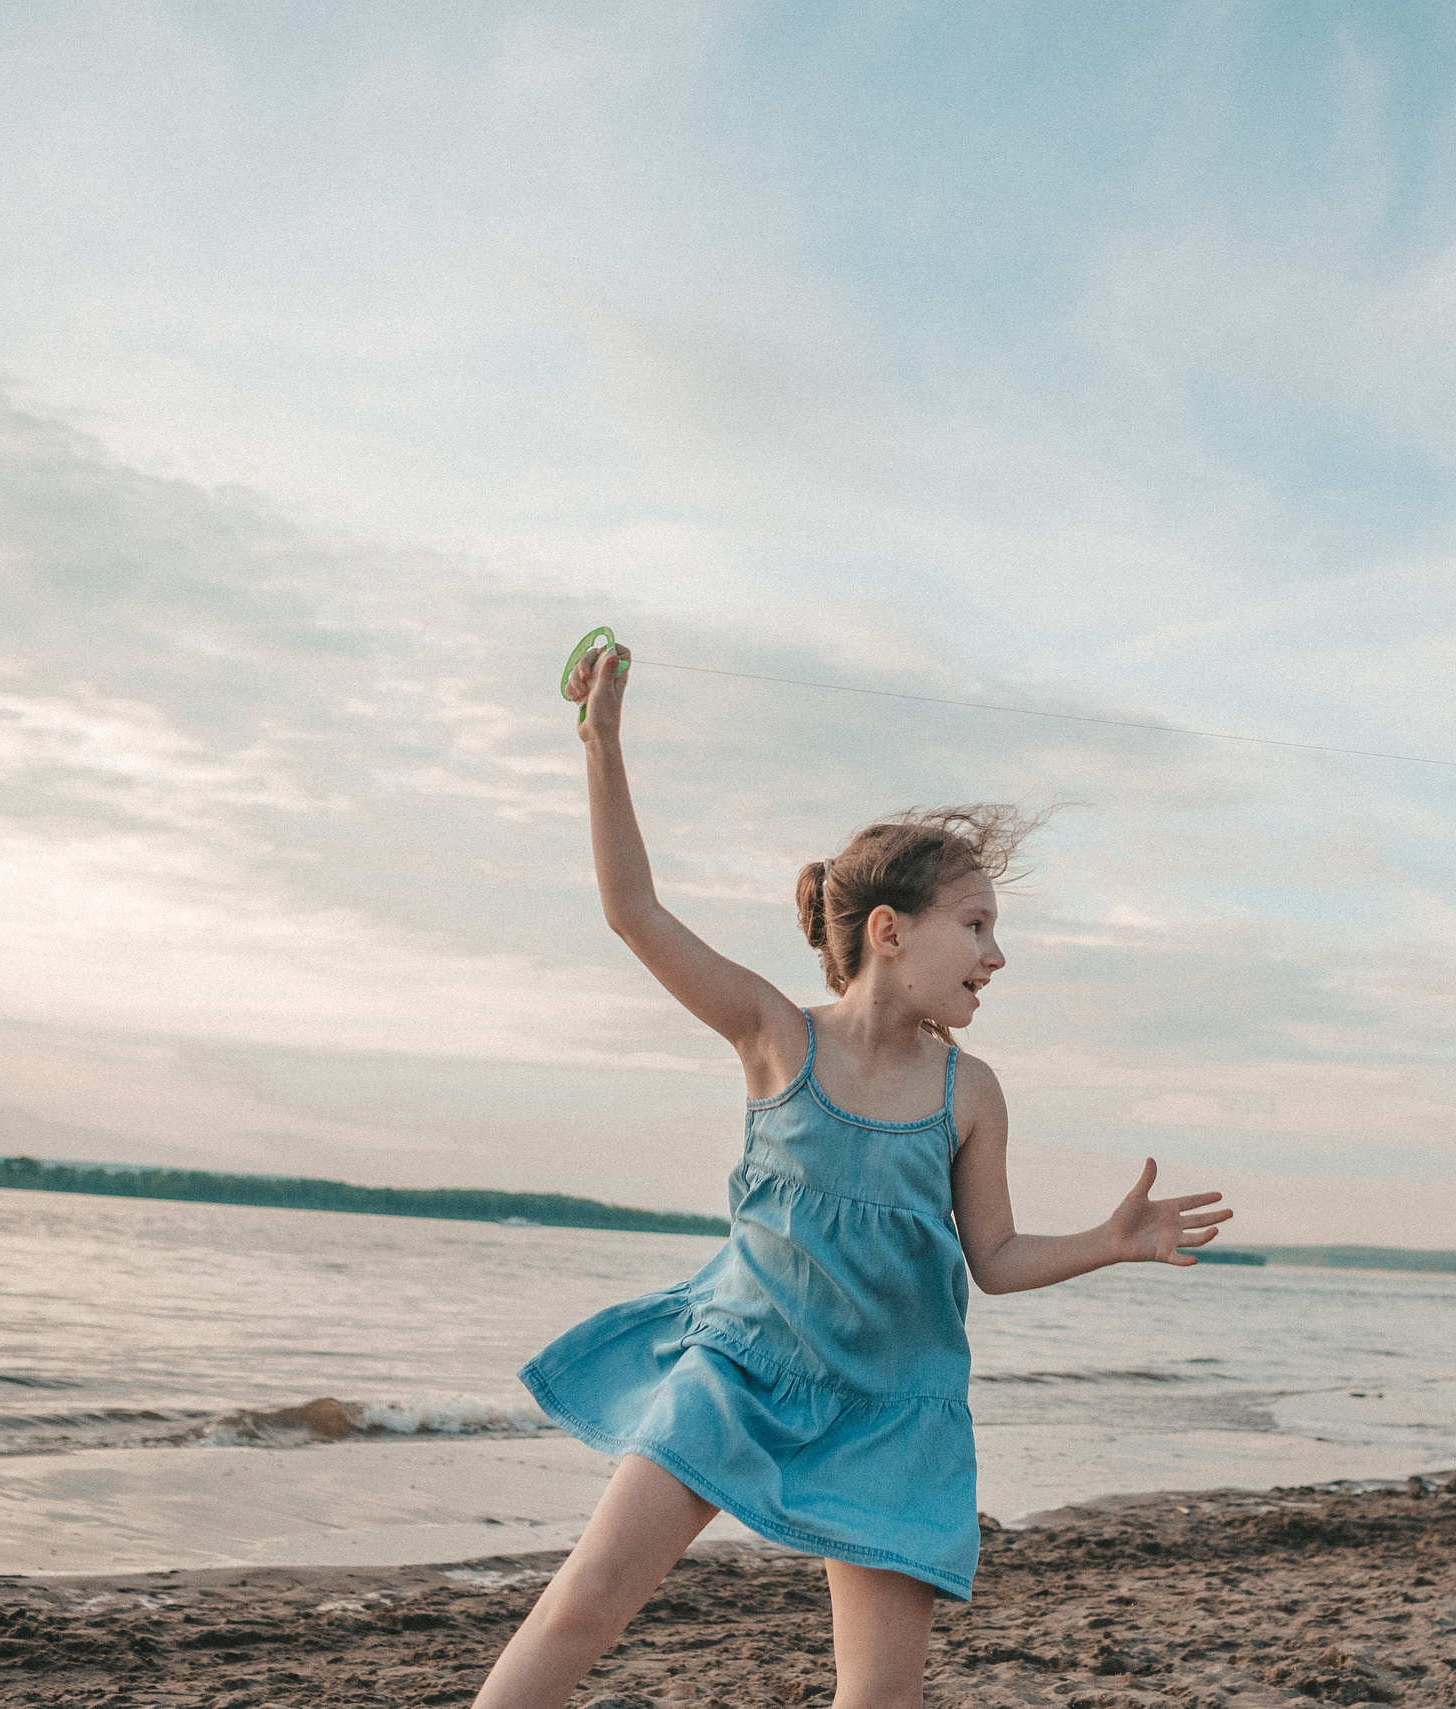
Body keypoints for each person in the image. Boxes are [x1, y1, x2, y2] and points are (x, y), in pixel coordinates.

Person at [472, 642, 1233, 1709]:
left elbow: (997, 1258)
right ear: (889, 932)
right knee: (587, 1595)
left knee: (879, 1697)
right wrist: (601, 746)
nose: (995, 955)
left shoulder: (972, 1092)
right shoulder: (777, 1035)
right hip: (738, 1367)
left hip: (891, 1412)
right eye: (976, 926)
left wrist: (1111, 1241)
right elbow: (634, 911)